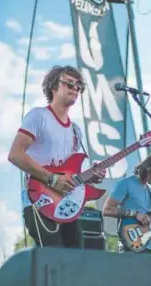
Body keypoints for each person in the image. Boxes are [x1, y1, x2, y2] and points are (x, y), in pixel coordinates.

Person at [8, 65, 107, 249]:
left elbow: (69, 172)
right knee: (53, 261)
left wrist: (91, 176)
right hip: (39, 199)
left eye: (78, 86)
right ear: (54, 86)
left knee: (75, 261)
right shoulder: (39, 116)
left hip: (67, 203)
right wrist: (51, 179)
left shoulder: (76, 132)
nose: (75, 89)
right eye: (69, 84)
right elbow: (15, 155)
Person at [102, 154, 151, 254]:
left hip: (145, 246)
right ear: (148, 168)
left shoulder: (149, 191)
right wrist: (135, 214)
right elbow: (107, 210)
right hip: (127, 245)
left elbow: (149, 221)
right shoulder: (126, 183)